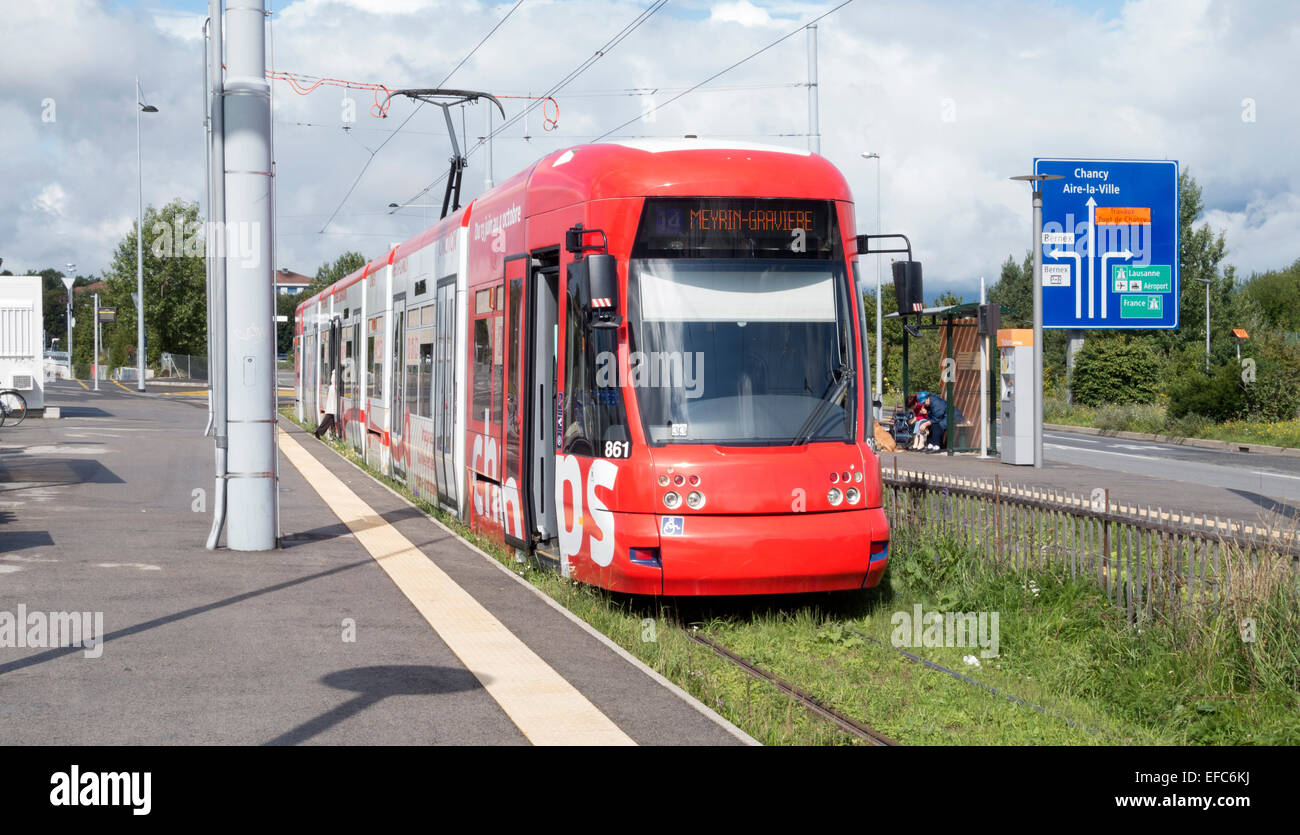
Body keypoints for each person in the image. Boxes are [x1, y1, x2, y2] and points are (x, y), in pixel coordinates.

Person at [314, 375, 340, 440]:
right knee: (330, 415)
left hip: (333, 391)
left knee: (331, 417)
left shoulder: (334, 372)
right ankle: (319, 431)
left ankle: (333, 435)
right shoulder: (337, 371)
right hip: (334, 392)